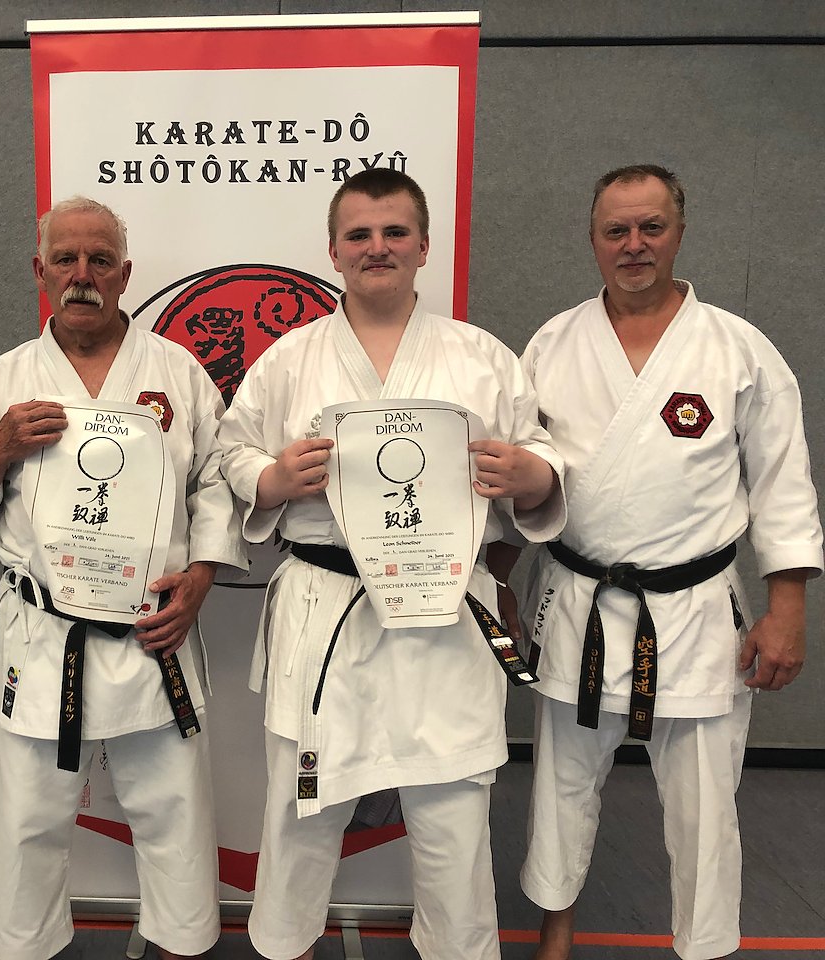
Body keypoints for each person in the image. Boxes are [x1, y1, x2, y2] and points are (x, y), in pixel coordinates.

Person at [217, 168, 566, 960]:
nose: (378, 247)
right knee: (302, 809)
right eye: (360, 235)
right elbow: (232, 454)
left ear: (424, 246)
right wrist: (273, 478)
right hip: (327, 602)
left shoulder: (482, 357)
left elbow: (543, 458)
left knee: (452, 814)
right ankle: (286, 947)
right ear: (334, 250)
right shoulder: (290, 358)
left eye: (395, 232)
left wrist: (530, 474)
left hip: (444, 607)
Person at [0, 196, 245, 960]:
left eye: (100, 260)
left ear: (125, 274)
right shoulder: (7, 379)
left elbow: (218, 481)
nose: (82, 275)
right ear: (40, 270)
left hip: (151, 633)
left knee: (174, 813)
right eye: (65, 259)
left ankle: (180, 946)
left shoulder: (176, 372)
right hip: (44, 638)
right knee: (27, 822)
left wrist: (201, 578)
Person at [518, 163, 823, 960]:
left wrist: (787, 609)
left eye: (651, 227)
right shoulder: (553, 342)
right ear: (592, 239)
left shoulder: (737, 348)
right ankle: (555, 934)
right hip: (578, 600)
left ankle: (706, 945)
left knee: (704, 805)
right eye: (616, 230)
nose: (634, 244)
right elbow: (522, 468)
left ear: (680, 232)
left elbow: (783, 484)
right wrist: (500, 577)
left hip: (695, 610)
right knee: (560, 787)